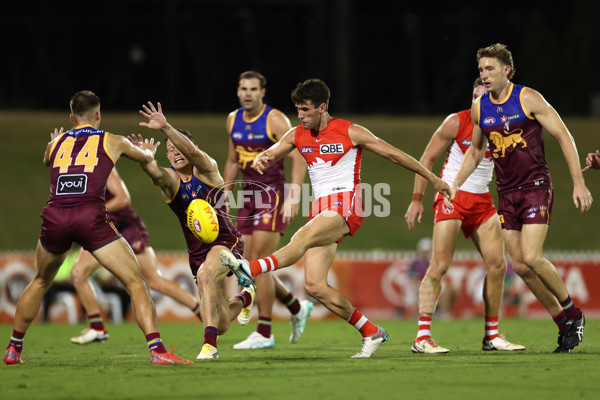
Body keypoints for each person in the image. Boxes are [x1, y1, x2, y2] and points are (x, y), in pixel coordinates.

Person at [220, 78, 451, 358]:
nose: (300, 115)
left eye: (305, 110)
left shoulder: (350, 131)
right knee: (314, 286)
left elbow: (394, 155)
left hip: (346, 204)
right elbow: (274, 151)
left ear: (322, 107)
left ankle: (251, 269)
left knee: (301, 237)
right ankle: (370, 331)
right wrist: (263, 158)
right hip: (320, 207)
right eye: (298, 110)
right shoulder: (297, 134)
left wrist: (432, 178)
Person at [4, 90, 192, 365]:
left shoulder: (55, 144)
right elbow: (144, 158)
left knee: (40, 280)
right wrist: (149, 152)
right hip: (90, 217)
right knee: (136, 282)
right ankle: (158, 351)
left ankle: (13, 349)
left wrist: (56, 141)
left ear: (71, 117)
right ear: (98, 115)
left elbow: (47, 160)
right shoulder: (112, 140)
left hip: (55, 215)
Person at [446, 43, 590, 353]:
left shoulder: (528, 98)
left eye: (490, 69)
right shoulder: (479, 107)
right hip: (507, 192)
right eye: (481, 69)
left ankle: (574, 314)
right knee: (522, 267)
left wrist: (578, 182)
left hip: (536, 186)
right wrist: (455, 183)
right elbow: (475, 150)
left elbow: (564, 135)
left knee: (532, 256)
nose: (484, 75)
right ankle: (563, 322)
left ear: (506, 70)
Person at [405, 78, 525, 353]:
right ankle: (421, 337)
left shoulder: (503, 125)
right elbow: (426, 158)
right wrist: (417, 199)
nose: (477, 102)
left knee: (498, 266)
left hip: (482, 200)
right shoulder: (455, 122)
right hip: (452, 195)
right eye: (474, 96)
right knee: (439, 265)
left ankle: (491, 336)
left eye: (483, 97)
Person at [131, 101, 256, 360]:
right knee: (221, 324)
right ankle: (246, 297)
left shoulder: (207, 169)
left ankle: (209, 348)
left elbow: (195, 153)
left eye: (178, 147)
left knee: (207, 274)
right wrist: (146, 159)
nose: (174, 152)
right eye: (169, 150)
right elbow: (156, 175)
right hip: (197, 252)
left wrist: (165, 128)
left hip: (225, 242)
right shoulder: (172, 181)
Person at [224, 71, 312, 350]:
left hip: (271, 195)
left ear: (263, 92)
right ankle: (296, 306)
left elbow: (299, 157)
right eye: (243, 88)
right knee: (249, 262)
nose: (247, 93)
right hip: (247, 196)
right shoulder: (232, 119)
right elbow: (232, 159)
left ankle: (264, 332)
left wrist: (293, 196)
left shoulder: (275, 120)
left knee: (258, 260)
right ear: (238, 92)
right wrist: (225, 192)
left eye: (253, 89)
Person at [69, 167, 203, 345]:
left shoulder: (101, 163)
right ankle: (97, 328)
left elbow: (123, 199)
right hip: (101, 228)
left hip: (126, 228)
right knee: (78, 273)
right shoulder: (69, 168)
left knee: (154, 280)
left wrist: (93, 213)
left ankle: (203, 314)